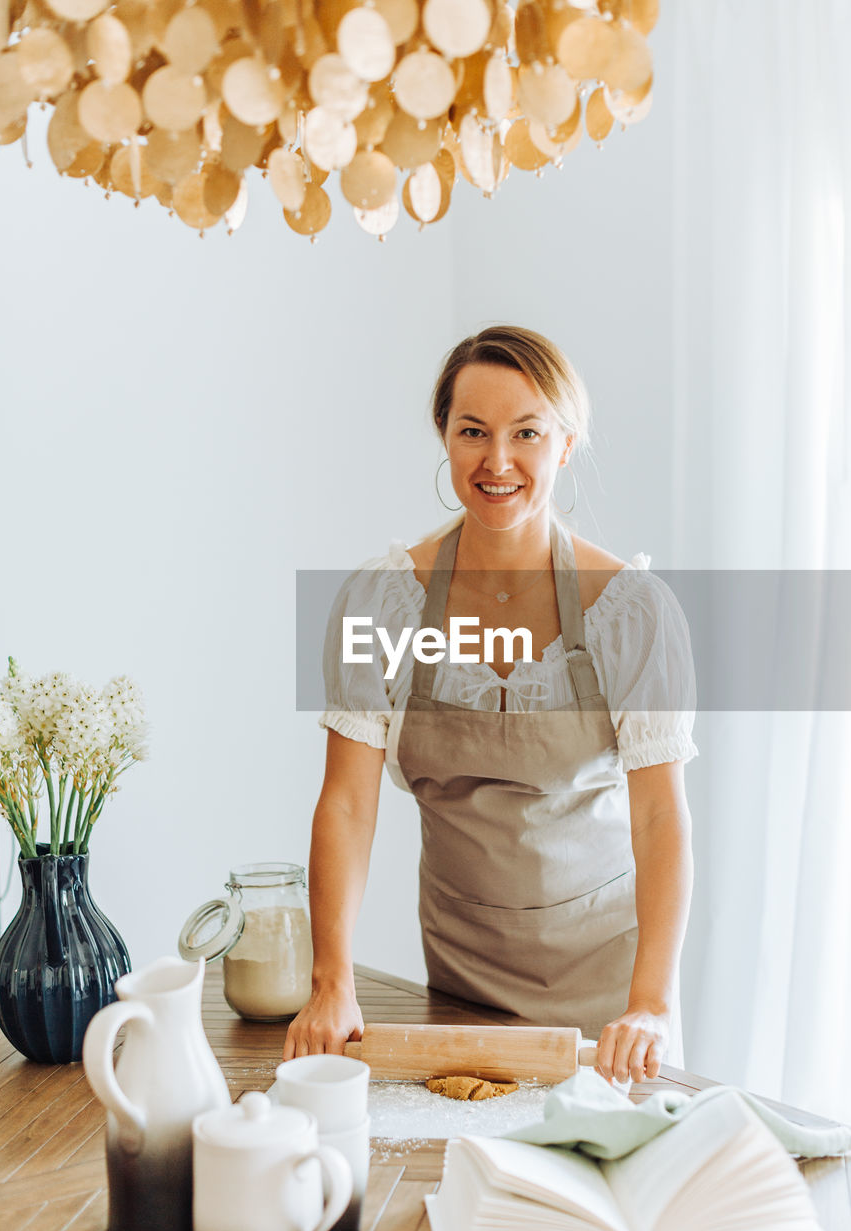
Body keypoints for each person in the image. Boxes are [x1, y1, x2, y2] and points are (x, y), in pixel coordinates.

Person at [284, 326, 696, 1084]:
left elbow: (660, 817)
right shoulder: (380, 605)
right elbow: (346, 802)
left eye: (527, 434)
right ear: (443, 435)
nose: (497, 462)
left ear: (565, 446)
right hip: (459, 987)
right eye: (472, 431)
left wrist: (652, 1006)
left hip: (610, 1001)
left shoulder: (631, 612)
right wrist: (330, 981)